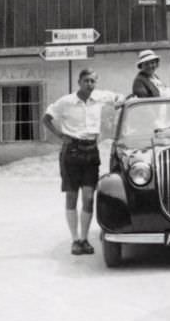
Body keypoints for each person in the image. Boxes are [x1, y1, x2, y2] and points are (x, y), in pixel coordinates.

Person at [43, 68, 122, 255]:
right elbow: (46, 118)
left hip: (91, 151)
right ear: (79, 82)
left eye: (93, 81)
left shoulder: (101, 97)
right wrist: (61, 135)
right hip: (71, 152)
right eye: (86, 80)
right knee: (72, 196)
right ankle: (75, 240)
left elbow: (121, 98)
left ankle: (85, 239)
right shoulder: (66, 101)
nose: (89, 84)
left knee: (88, 197)